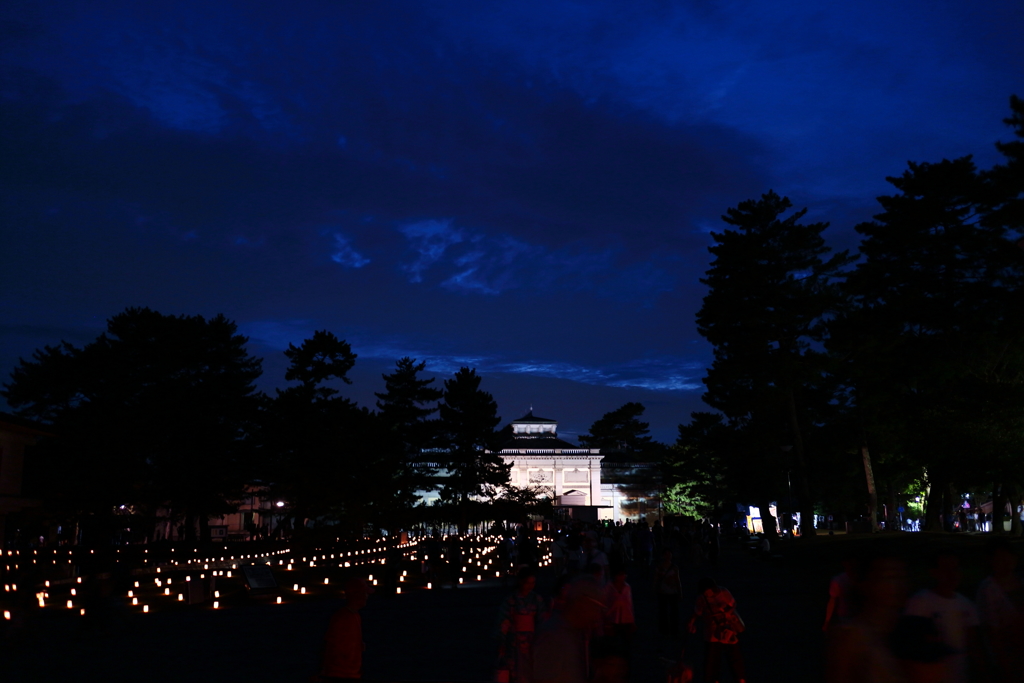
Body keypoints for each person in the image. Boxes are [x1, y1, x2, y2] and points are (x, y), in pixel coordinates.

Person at [826, 554, 907, 683]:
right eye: (887, 578)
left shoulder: (906, 631)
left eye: (900, 577)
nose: (895, 585)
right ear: (867, 583)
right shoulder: (851, 638)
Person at [904, 551, 983, 683]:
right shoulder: (920, 603)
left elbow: (973, 646)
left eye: (955, 569)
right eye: (946, 569)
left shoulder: (966, 605)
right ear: (934, 572)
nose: (952, 574)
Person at [532, 576, 606, 683]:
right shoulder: (553, 637)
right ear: (582, 602)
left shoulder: (575, 634)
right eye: (596, 607)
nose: (598, 616)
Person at [975, 539, 1023, 683]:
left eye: (1009, 557)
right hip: (1007, 654)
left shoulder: (1020, 582)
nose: (1006, 562)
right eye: (1000, 558)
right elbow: (991, 629)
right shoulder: (988, 589)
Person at [687, 577, 746, 683]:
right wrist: (691, 622)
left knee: (734, 658)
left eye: (707, 591)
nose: (706, 594)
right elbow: (697, 611)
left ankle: (740, 679)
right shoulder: (702, 598)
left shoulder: (724, 592)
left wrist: (725, 611)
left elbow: (733, 605)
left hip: (728, 630)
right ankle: (713, 680)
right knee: (712, 660)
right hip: (712, 632)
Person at [496, 568, 549, 683]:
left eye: (533, 583)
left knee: (531, 669)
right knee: (516, 670)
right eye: (528, 583)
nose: (530, 586)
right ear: (521, 582)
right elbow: (504, 621)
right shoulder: (511, 600)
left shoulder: (536, 599)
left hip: (532, 640)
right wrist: (502, 640)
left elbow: (542, 619)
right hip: (514, 641)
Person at [320, 577, 373, 681]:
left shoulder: (355, 615)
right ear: (356, 595)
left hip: (350, 674)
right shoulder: (342, 618)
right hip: (341, 675)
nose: (367, 597)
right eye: (364, 593)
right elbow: (331, 647)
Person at [603, 567, 635, 651]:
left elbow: (629, 604)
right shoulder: (608, 587)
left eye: (624, 575)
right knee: (613, 643)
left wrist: (632, 620)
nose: (622, 577)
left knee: (627, 643)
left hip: (626, 618)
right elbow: (604, 601)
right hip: (612, 618)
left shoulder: (627, 587)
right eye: (620, 575)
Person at [823, 557, 856, 632]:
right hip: (845, 616)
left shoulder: (862, 578)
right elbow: (832, 601)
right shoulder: (838, 580)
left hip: (859, 614)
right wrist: (827, 621)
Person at [655, 549, 682, 636]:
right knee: (664, 612)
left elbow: (677, 580)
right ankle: (666, 631)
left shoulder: (674, 567)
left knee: (672, 612)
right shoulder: (660, 567)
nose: (668, 556)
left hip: (672, 592)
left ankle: (672, 630)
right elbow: (656, 579)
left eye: (669, 554)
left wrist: (679, 591)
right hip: (663, 591)